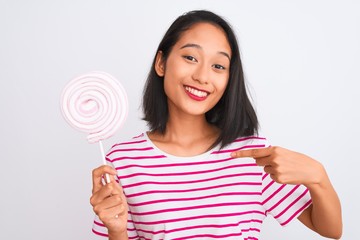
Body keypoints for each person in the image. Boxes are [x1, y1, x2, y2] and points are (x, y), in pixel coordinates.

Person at [90, 10, 342, 240]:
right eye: (190, 57)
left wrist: (318, 177)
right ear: (161, 63)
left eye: (218, 66)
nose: (202, 76)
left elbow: (331, 230)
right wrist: (116, 230)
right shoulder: (122, 161)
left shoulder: (252, 154)